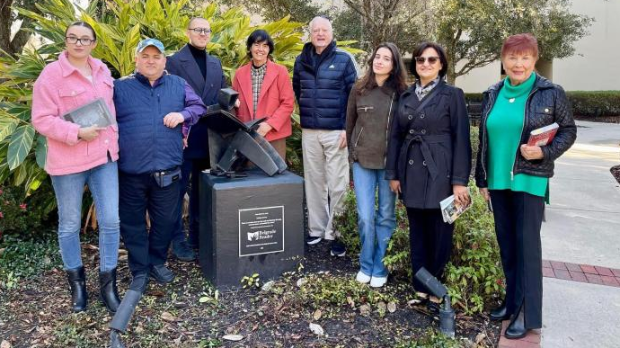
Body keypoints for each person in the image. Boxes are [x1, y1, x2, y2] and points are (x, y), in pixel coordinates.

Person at [475, 33, 576, 339]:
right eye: (512, 58)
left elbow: (568, 131)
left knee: (527, 247)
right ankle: (511, 302)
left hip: (529, 180)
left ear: (534, 59)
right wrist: (482, 181)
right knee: (507, 246)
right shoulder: (492, 92)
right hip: (498, 181)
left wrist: (544, 152)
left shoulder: (550, 92)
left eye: (525, 58)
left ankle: (528, 314)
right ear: (503, 60)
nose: (518, 64)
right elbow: (485, 140)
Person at [31, 21, 121, 313]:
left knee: (110, 220)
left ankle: (108, 285)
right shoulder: (51, 75)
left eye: (85, 39)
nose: (79, 43)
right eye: (73, 38)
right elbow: (41, 120)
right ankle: (78, 287)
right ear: (66, 41)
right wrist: (76, 133)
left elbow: (110, 110)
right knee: (69, 224)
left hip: (104, 157)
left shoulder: (102, 70)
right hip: (68, 161)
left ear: (94, 43)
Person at [114, 38, 206, 286]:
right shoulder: (120, 87)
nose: (151, 61)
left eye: (156, 56)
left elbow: (199, 107)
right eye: (146, 56)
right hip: (131, 172)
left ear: (165, 60)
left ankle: (156, 261)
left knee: (165, 222)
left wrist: (183, 115)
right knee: (132, 224)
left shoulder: (178, 84)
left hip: (167, 170)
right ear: (137, 59)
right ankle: (140, 268)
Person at [386, 42, 471, 306]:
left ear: (441, 64)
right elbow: (396, 136)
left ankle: (436, 284)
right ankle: (420, 285)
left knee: (441, 230)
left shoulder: (452, 95)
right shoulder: (405, 96)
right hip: (411, 170)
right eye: (421, 60)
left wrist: (459, 182)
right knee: (417, 231)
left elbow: (461, 139)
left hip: (441, 172)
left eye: (432, 60)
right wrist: (394, 174)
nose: (425, 64)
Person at [293, 16, 358, 256]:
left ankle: (337, 233)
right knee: (314, 182)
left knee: (338, 184)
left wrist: (346, 128)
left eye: (324, 30)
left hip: (336, 132)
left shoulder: (344, 59)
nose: (320, 34)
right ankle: (317, 229)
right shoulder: (301, 60)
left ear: (331, 33)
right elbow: (297, 89)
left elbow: (354, 97)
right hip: (310, 131)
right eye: (316, 30)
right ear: (310, 33)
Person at [346, 43, 408, 288]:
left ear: (394, 65)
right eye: (377, 57)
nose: (380, 61)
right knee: (364, 216)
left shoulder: (402, 92)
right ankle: (366, 264)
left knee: (385, 216)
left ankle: (380, 267)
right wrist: (352, 155)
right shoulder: (359, 89)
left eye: (386, 58)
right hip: (362, 161)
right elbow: (349, 124)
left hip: (388, 165)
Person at [166, 17, 227, 262]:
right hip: (184, 136)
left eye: (206, 30)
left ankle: (198, 237)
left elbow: (221, 94)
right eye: (198, 29)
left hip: (208, 137)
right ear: (187, 32)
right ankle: (178, 240)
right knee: (177, 192)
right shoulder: (173, 61)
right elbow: (170, 100)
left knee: (202, 191)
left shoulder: (215, 62)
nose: (202, 33)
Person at [232, 29, 295, 160]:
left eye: (265, 46)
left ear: (269, 49)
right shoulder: (239, 73)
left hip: (273, 134)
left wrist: (269, 125)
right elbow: (234, 103)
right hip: (248, 135)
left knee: (273, 177)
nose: (260, 49)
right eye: (256, 44)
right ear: (249, 48)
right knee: (249, 178)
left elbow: (288, 103)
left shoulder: (280, 71)